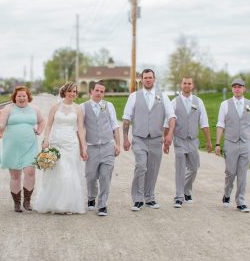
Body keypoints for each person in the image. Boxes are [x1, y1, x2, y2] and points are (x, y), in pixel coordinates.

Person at [122, 69, 176, 211]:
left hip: (156, 139)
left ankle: (149, 197)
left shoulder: (163, 96)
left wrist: (170, 134)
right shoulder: (134, 96)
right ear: (141, 80)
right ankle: (138, 198)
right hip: (139, 138)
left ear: (154, 79)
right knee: (141, 166)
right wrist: (125, 138)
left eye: (150, 77)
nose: (148, 80)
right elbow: (127, 118)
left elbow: (171, 116)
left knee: (153, 169)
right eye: (145, 78)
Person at [33, 82, 88, 214]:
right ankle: (54, 203)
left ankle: (68, 205)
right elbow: (49, 125)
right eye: (70, 91)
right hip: (57, 142)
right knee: (58, 171)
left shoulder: (78, 109)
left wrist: (83, 148)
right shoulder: (55, 107)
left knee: (70, 172)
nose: (73, 94)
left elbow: (80, 129)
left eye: (75, 92)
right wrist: (46, 140)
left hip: (72, 144)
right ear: (64, 92)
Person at [215, 78, 250, 213]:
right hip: (230, 143)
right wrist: (217, 143)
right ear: (232, 89)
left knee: (242, 173)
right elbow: (220, 124)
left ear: (244, 88)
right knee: (230, 172)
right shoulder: (225, 104)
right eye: (234, 87)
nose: (237, 89)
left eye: (239, 87)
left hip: (246, 143)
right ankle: (227, 194)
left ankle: (240, 200)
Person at [0, 86, 45, 212]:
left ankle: (27, 201)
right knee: (15, 175)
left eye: (24, 95)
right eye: (19, 95)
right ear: (15, 97)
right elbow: (1, 124)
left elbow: (41, 121)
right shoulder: (8, 109)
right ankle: (17, 203)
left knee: (30, 172)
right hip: (12, 146)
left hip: (30, 146)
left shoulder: (35, 109)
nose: (22, 98)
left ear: (28, 96)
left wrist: (39, 131)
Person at [169, 77, 212, 208]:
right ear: (181, 85)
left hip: (193, 140)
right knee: (180, 168)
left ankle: (186, 190)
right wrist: (166, 139)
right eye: (184, 83)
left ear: (192, 86)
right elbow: (168, 122)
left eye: (189, 83)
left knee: (194, 167)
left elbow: (204, 122)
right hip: (179, 139)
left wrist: (209, 141)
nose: (187, 85)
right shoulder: (174, 102)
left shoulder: (199, 102)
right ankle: (179, 197)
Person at [80, 81, 121, 216]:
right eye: (97, 90)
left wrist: (118, 144)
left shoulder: (109, 106)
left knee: (105, 176)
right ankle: (91, 196)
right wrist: (82, 147)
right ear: (91, 91)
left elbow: (115, 125)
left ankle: (103, 204)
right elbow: (79, 129)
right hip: (91, 147)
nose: (99, 93)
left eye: (102, 91)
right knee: (90, 176)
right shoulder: (83, 107)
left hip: (108, 146)